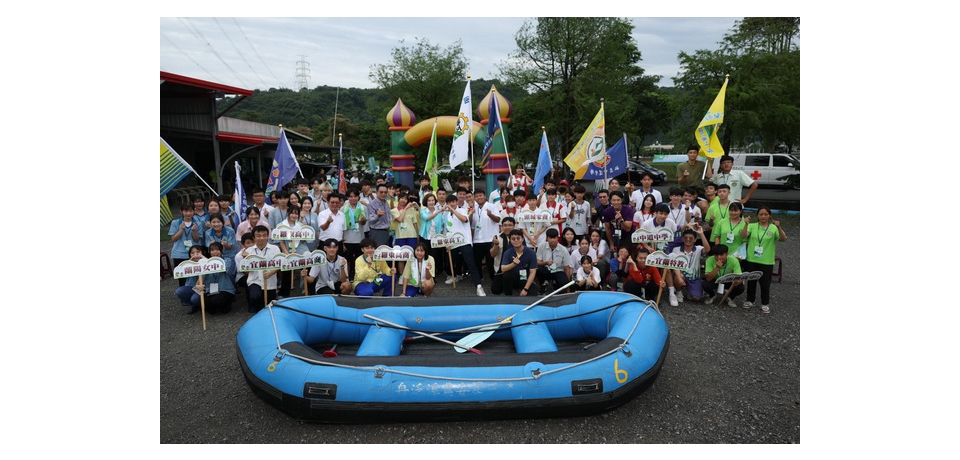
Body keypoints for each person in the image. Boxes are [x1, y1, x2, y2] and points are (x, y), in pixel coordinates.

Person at [740, 206, 787, 314]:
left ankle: (765, 303)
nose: (763, 216)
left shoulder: (773, 228)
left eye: (766, 214)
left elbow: (783, 239)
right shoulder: (752, 226)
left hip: (766, 260)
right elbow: (743, 236)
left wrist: (779, 227)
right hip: (751, 259)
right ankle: (749, 300)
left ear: (769, 215)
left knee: (765, 283)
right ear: (757, 216)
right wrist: (746, 224)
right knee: (751, 281)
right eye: (761, 214)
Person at [442, 189, 486, 296]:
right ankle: (455, 277)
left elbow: (464, 220)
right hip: (453, 243)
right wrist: (448, 243)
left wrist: (453, 210)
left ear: (456, 202)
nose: (451, 204)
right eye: (449, 202)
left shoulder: (464, 210)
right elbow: (448, 229)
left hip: (464, 241)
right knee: (451, 262)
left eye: (453, 202)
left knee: (471, 264)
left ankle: (479, 286)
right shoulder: (447, 215)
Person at [667, 226, 711, 307]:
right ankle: (678, 291)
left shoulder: (698, 249)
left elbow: (707, 249)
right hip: (681, 274)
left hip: (693, 277)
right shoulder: (676, 249)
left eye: (691, 238)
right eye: (685, 237)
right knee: (678, 276)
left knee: (697, 298)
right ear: (682, 239)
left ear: (695, 239)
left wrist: (701, 234)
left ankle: (691, 290)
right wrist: (679, 277)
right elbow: (674, 265)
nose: (688, 239)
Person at [242, 225, 281, 313]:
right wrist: (245, 260)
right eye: (258, 236)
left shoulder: (275, 249)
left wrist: (270, 273)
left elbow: (278, 265)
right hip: (255, 280)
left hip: (270, 282)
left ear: (268, 236)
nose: (262, 238)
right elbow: (245, 271)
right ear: (254, 238)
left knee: (269, 306)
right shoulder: (249, 251)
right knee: (255, 297)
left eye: (264, 235)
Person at [195, 241, 237, 314]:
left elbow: (223, 269)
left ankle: (227, 306)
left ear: (221, 251)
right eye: (212, 250)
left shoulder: (227, 260)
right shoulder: (205, 262)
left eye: (217, 250)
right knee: (205, 302)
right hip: (210, 290)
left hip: (225, 289)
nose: (215, 252)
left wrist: (206, 261)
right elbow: (201, 277)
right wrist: (198, 285)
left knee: (216, 301)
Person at [169, 203, 202, 287]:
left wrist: (194, 231)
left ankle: (196, 296)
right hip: (179, 254)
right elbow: (173, 238)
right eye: (186, 211)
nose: (188, 213)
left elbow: (197, 239)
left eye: (190, 211)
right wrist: (181, 230)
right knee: (182, 277)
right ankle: (183, 296)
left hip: (194, 254)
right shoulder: (175, 222)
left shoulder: (198, 223)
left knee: (196, 276)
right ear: (181, 212)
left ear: (194, 211)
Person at [703, 244, 745, 308]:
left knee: (740, 287)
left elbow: (739, 276)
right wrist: (717, 268)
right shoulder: (709, 260)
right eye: (716, 255)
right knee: (705, 284)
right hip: (715, 280)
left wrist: (738, 281)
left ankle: (730, 297)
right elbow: (708, 278)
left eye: (721, 255)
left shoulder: (734, 260)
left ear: (727, 254)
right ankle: (712, 295)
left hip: (729, 281)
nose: (719, 257)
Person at [471, 189, 500, 282]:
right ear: (474, 198)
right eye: (477, 196)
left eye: (480, 195)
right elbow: (471, 225)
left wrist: (490, 215)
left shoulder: (492, 206)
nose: (479, 197)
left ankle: (493, 279)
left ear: (484, 196)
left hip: (490, 239)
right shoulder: (473, 208)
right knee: (477, 261)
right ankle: (479, 278)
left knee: (490, 261)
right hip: (477, 239)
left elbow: (498, 220)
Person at [499, 229, 538, 296]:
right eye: (513, 239)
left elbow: (532, 272)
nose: (516, 240)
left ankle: (523, 288)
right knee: (506, 275)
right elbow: (503, 268)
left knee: (533, 294)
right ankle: (508, 295)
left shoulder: (531, 253)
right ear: (510, 240)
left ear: (522, 239)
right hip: (513, 278)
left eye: (518, 238)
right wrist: (513, 264)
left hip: (525, 279)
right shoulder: (508, 252)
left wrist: (526, 289)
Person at [535, 228, 572, 295]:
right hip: (545, 269)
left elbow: (566, 267)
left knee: (563, 282)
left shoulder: (563, 249)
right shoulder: (541, 246)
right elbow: (538, 262)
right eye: (550, 238)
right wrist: (545, 263)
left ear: (557, 238)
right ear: (547, 238)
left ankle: (556, 285)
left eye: (554, 238)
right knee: (539, 270)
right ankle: (543, 284)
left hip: (558, 270)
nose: (552, 240)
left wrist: (568, 284)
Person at [174, 245, 208, 311]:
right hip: (191, 287)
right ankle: (193, 305)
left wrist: (203, 257)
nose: (196, 255)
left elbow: (211, 263)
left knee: (195, 299)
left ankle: (202, 305)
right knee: (179, 291)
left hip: (204, 288)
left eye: (198, 252)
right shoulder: (187, 264)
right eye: (192, 253)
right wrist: (190, 260)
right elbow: (180, 270)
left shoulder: (207, 262)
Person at [342, 188, 367, 278]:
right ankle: (349, 276)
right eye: (351, 197)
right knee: (349, 260)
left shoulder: (363, 208)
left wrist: (362, 220)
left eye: (355, 196)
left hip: (359, 238)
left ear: (358, 197)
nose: (353, 199)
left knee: (359, 259)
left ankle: (358, 276)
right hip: (348, 238)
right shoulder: (343, 209)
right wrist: (342, 240)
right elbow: (342, 226)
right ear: (348, 197)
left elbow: (364, 223)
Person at [602, 191, 635, 256]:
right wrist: (611, 243)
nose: (616, 202)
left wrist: (621, 220)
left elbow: (628, 228)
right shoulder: (607, 211)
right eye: (613, 200)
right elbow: (607, 228)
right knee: (615, 256)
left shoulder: (628, 210)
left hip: (627, 237)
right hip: (615, 236)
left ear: (622, 200)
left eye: (618, 200)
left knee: (626, 255)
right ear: (610, 201)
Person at [489, 216, 516, 295]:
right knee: (495, 290)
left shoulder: (518, 236)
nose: (507, 227)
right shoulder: (497, 237)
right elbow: (492, 254)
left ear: (514, 226)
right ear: (501, 226)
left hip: (516, 267)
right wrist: (496, 244)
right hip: (501, 269)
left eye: (510, 225)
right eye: (505, 225)